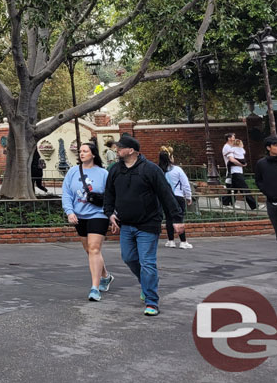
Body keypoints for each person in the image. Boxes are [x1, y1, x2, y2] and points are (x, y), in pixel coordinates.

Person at [103, 134, 182, 317]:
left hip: (148, 224)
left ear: (131, 151)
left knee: (147, 262)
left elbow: (166, 194)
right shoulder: (115, 170)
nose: (116, 150)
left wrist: (177, 219)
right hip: (126, 224)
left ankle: (151, 301)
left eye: (120, 148)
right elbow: (109, 194)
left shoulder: (151, 170)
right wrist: (110, 213)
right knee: (129, 258)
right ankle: (146, 284)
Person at [61, 141, 113, 301]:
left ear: (93, 154)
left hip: (98, 214)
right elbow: (67, 193)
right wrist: (69, 212)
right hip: (80, 216)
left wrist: (112, 214)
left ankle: (94, 288)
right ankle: (106, 276)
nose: (82, 153)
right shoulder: (72, 172)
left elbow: (111, 196)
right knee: (89, 250)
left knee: (94, 248)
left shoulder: (103, 173)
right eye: (80, 151)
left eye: (85, 151)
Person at [254, 136, 277, 269]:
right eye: (276, 145)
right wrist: (267, 192)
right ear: (269, 148)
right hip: (271, 201)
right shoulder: (261, 164)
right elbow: (258, 181)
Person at [158, 147, 193, 249]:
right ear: (170, 158)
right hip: (178, 196)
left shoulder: (159, 171)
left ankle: (171, 240)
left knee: (169, 218)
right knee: (179, 218)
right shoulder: (177, 170)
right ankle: (183, 241)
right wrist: (188, 196)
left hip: (165, 198)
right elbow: (185, 184)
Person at [221, 133, 258, 210]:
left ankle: (224, 201)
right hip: (234, 171)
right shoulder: (227, 147)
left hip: (237, 171)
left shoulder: (232, 147)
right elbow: (231, 159)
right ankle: (254, 206)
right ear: (229, 138)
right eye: (233, 136)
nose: (234, 137)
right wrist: (241, 164)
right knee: (244, 188)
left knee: (233, 189)